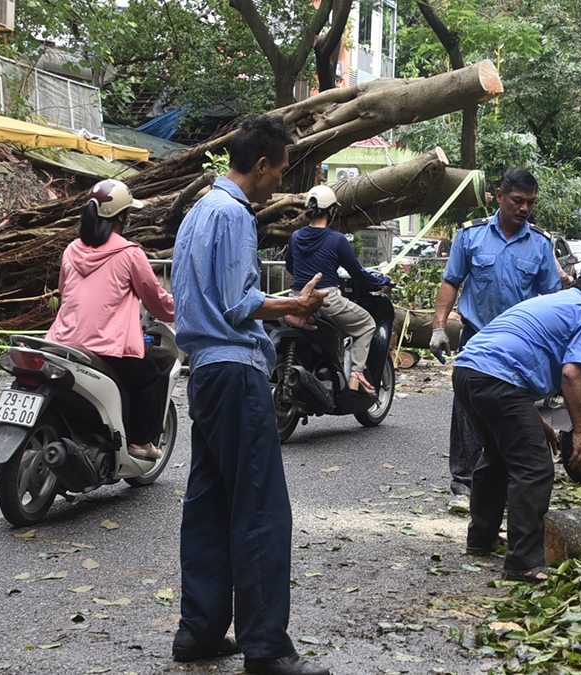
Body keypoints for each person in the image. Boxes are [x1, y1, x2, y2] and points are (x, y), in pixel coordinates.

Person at [170, 114, 332, 675]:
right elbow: (240, 303)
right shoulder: (234, 214)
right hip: (237, 372)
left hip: (204, 375)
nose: (280, 184)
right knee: (261, 507)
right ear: (260, 166)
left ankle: (198, 631)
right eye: (280, 172)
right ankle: (266, 648)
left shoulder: (195, 213)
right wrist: (295, 304)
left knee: (210, 506)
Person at [454, 269, 581, 582]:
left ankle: (481, 539)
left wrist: (539, 422)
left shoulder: (550, 302)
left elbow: (514, 359)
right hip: (497, 379)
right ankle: (524, 563)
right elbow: (573, 374)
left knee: (497, 456)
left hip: (467, 372)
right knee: (535, 468)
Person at [428, 168, 564, 500]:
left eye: (530, 203)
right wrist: (438, 327)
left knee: (514, 406)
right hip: (477, 335)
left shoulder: (540, 244)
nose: (524, 208)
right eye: (518, 200)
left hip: (519, 342)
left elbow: (551, 298)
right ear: (500, 196)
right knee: (467, 407)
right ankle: (464, 477)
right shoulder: (470, 235)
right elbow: (451, 281)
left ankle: (504, 476)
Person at [46, 178, 175, 460]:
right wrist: (181, 309)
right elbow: (155, 299)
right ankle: (140, 442)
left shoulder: (71, 250)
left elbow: (65, 292)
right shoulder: (129, 253)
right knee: (153, 375)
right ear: (121, 218)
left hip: (61, 343)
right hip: (106, 347)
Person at [285, 184, 391, 393]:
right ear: (331, 210)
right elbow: (357, 273)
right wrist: (381, 281)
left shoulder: (296, 236)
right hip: (326, 299)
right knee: (367, 324)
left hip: (296, 298)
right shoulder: (337, 239)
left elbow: (291, 266)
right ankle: (356, 374)